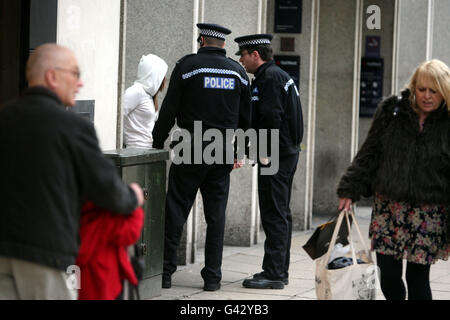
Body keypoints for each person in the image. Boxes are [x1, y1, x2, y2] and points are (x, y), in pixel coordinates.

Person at [0, 43, 144, 300]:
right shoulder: (73, 127)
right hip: (46, 255)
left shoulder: (5, 117)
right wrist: (134, 195)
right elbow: (106, 189)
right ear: (52, 76)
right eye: (74, 74)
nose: (79, 83)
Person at [337, 59, 450, 300]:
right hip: (390, 208)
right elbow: (370, 152)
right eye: (422, 89)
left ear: (444, 91)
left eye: (434, 91)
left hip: (428, 212)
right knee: (387, 275)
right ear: (414, 87)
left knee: (418, 278)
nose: (427, 96)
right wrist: (349, 189)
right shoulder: (392, 110)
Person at [152, 23, 251, 291]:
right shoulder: (238, 71)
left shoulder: (187, 66)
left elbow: (169, 109)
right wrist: (239, 151)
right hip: (221, 149)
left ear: (202, 39)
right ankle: (212, 278)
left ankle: (165, 272)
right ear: (222, 44)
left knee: (175, 209)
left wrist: (156, 141)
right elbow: (246, 119)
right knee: (216, 216)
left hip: (190, 145)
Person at [234, 34, 304, 289]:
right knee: (280, 214)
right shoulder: (276, 76)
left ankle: (274, 273)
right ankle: (276, 270)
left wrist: (263, 151)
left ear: (256, 54)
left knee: (274, 214)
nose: (240, 60)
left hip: (276, 154)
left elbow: (271, 116)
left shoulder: (270, 79)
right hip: (284, 153)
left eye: (243, 54)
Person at [76, 202, 144, 300]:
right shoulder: (104, 219)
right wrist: (136, 204)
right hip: (106, 282)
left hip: (83, 281)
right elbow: (131, 232)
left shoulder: (80, 218)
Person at [123, 54, 168, 148]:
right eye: (161, 76)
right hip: (134, 150)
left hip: (147, 150)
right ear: (153, 75)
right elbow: (116, 118)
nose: (164, 80)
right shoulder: (136, 91)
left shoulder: (149, 95)